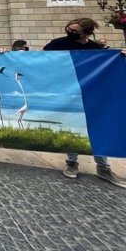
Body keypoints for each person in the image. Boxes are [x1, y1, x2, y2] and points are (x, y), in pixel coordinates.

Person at [44, 17, 125, 187]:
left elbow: (110, 66)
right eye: (69, 29)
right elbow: (39, 60)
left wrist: (120, 56)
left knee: (96, 128)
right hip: (68, 91)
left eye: (75, 31)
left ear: (86, 33)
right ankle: (72, 162)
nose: (70, 32)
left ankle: (103, 167)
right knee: (73, 127)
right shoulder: (57, 44)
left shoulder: (95, 49)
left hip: (92, 94)